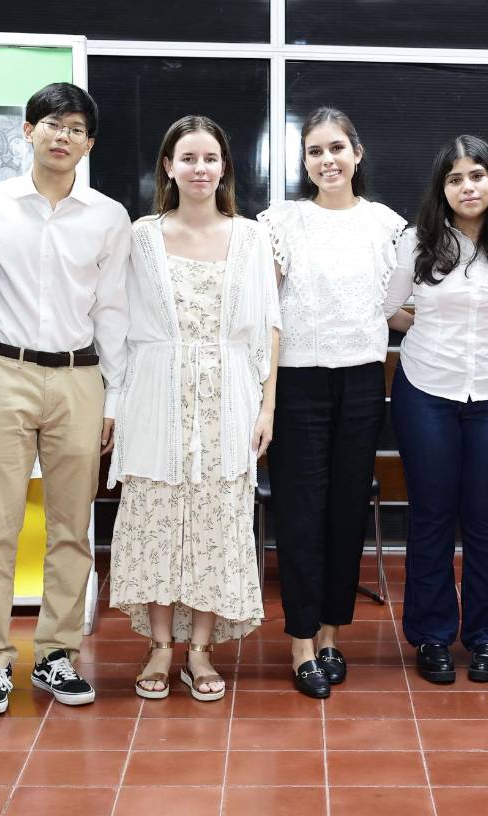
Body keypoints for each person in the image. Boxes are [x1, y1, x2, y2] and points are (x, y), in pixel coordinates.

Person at [0, 83, 131, 715]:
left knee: (71, 527)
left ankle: (57, 655)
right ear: (28, 130)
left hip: (79, 379)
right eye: (51, 124)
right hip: (2, 374)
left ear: (89, 144)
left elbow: (113, 309)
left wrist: (111, 397)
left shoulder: (108, 215)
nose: (62, 137)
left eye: (76, 129)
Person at [108, 115, 280, 703]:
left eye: (210, 158)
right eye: (188, 158)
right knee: (155, 517)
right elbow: (121, 327)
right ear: (168, 166)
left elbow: (268, 329)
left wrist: (267, 409)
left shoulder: (252, 237)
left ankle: (200, 651)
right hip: (155, 395)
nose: (200, 168)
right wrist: (116, 403)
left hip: (229, 399)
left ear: (224, 166)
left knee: (215, 521)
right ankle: (160, 645)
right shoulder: (142, 236)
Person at [258, 108, 405, 698]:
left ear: (358, 153)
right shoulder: (281, 221)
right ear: (304, 162)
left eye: (337, 148)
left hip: (364, 381)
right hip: (298, 382)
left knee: (347, 510)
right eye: (315, 151)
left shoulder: (387, 224)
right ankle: (299, 642)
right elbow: (264, 310)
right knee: (300, 512)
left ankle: (331, 636)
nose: (328, 160)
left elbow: (396, 308)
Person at [384, 135, 488, 684]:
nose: (467, 186)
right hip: (426, 390)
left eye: (477, 175)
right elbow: (384, 305)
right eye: (455, 178)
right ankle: (432, 636)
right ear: (441, 188)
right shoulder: (417, 242)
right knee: (431, 516)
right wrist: (421, 324)